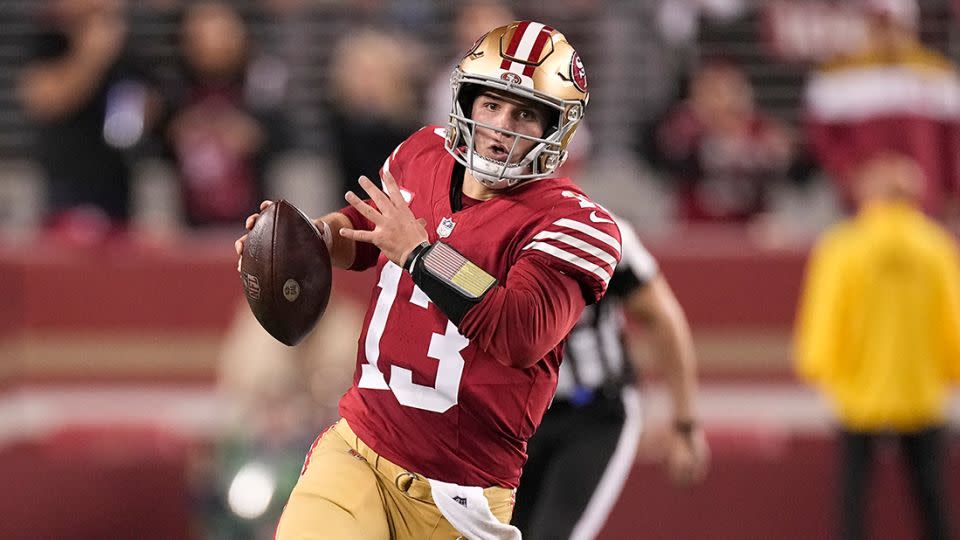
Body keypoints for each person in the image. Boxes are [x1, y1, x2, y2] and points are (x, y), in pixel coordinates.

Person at [235, 22, 622, 539]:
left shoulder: (573, 223)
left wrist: (422, 253)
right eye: (491, 104)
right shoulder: (424, 153)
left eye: (525, 113)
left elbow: (520, 331)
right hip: (359, 452)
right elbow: (370, 229)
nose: (502, 125)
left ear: (558, 127)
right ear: (465, 101)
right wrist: (310, 237)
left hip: (462, 499)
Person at [794, 151, 960, 540]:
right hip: (920, 391)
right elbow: (952, 319)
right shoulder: (935, 247)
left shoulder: (843, 247)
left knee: (853, 496)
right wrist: (951, 369)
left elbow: (825, 314)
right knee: (931, 496)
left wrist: (819, 366)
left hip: (858, 391)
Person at [512, 215, 709, 540]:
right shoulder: (479, 231)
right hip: (513, 419)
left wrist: (685, 424)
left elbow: (663, 318)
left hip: (592, 414)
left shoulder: (598, 231)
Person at [804, 0, 960, 219]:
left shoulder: (937, 74)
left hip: (927, 206)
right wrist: (855, 175)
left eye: (895, 25)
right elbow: (825, 141)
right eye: (879, 26)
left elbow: (951, 143)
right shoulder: (838, 76)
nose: (888, 35)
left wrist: (952, 193)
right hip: (864, 207)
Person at [19, 0, 158, 241]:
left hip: (118, 188)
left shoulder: (127, 44)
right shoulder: (50, 39)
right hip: (65, 190)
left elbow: (148, 103)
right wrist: (91, 57)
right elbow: (43, 100)